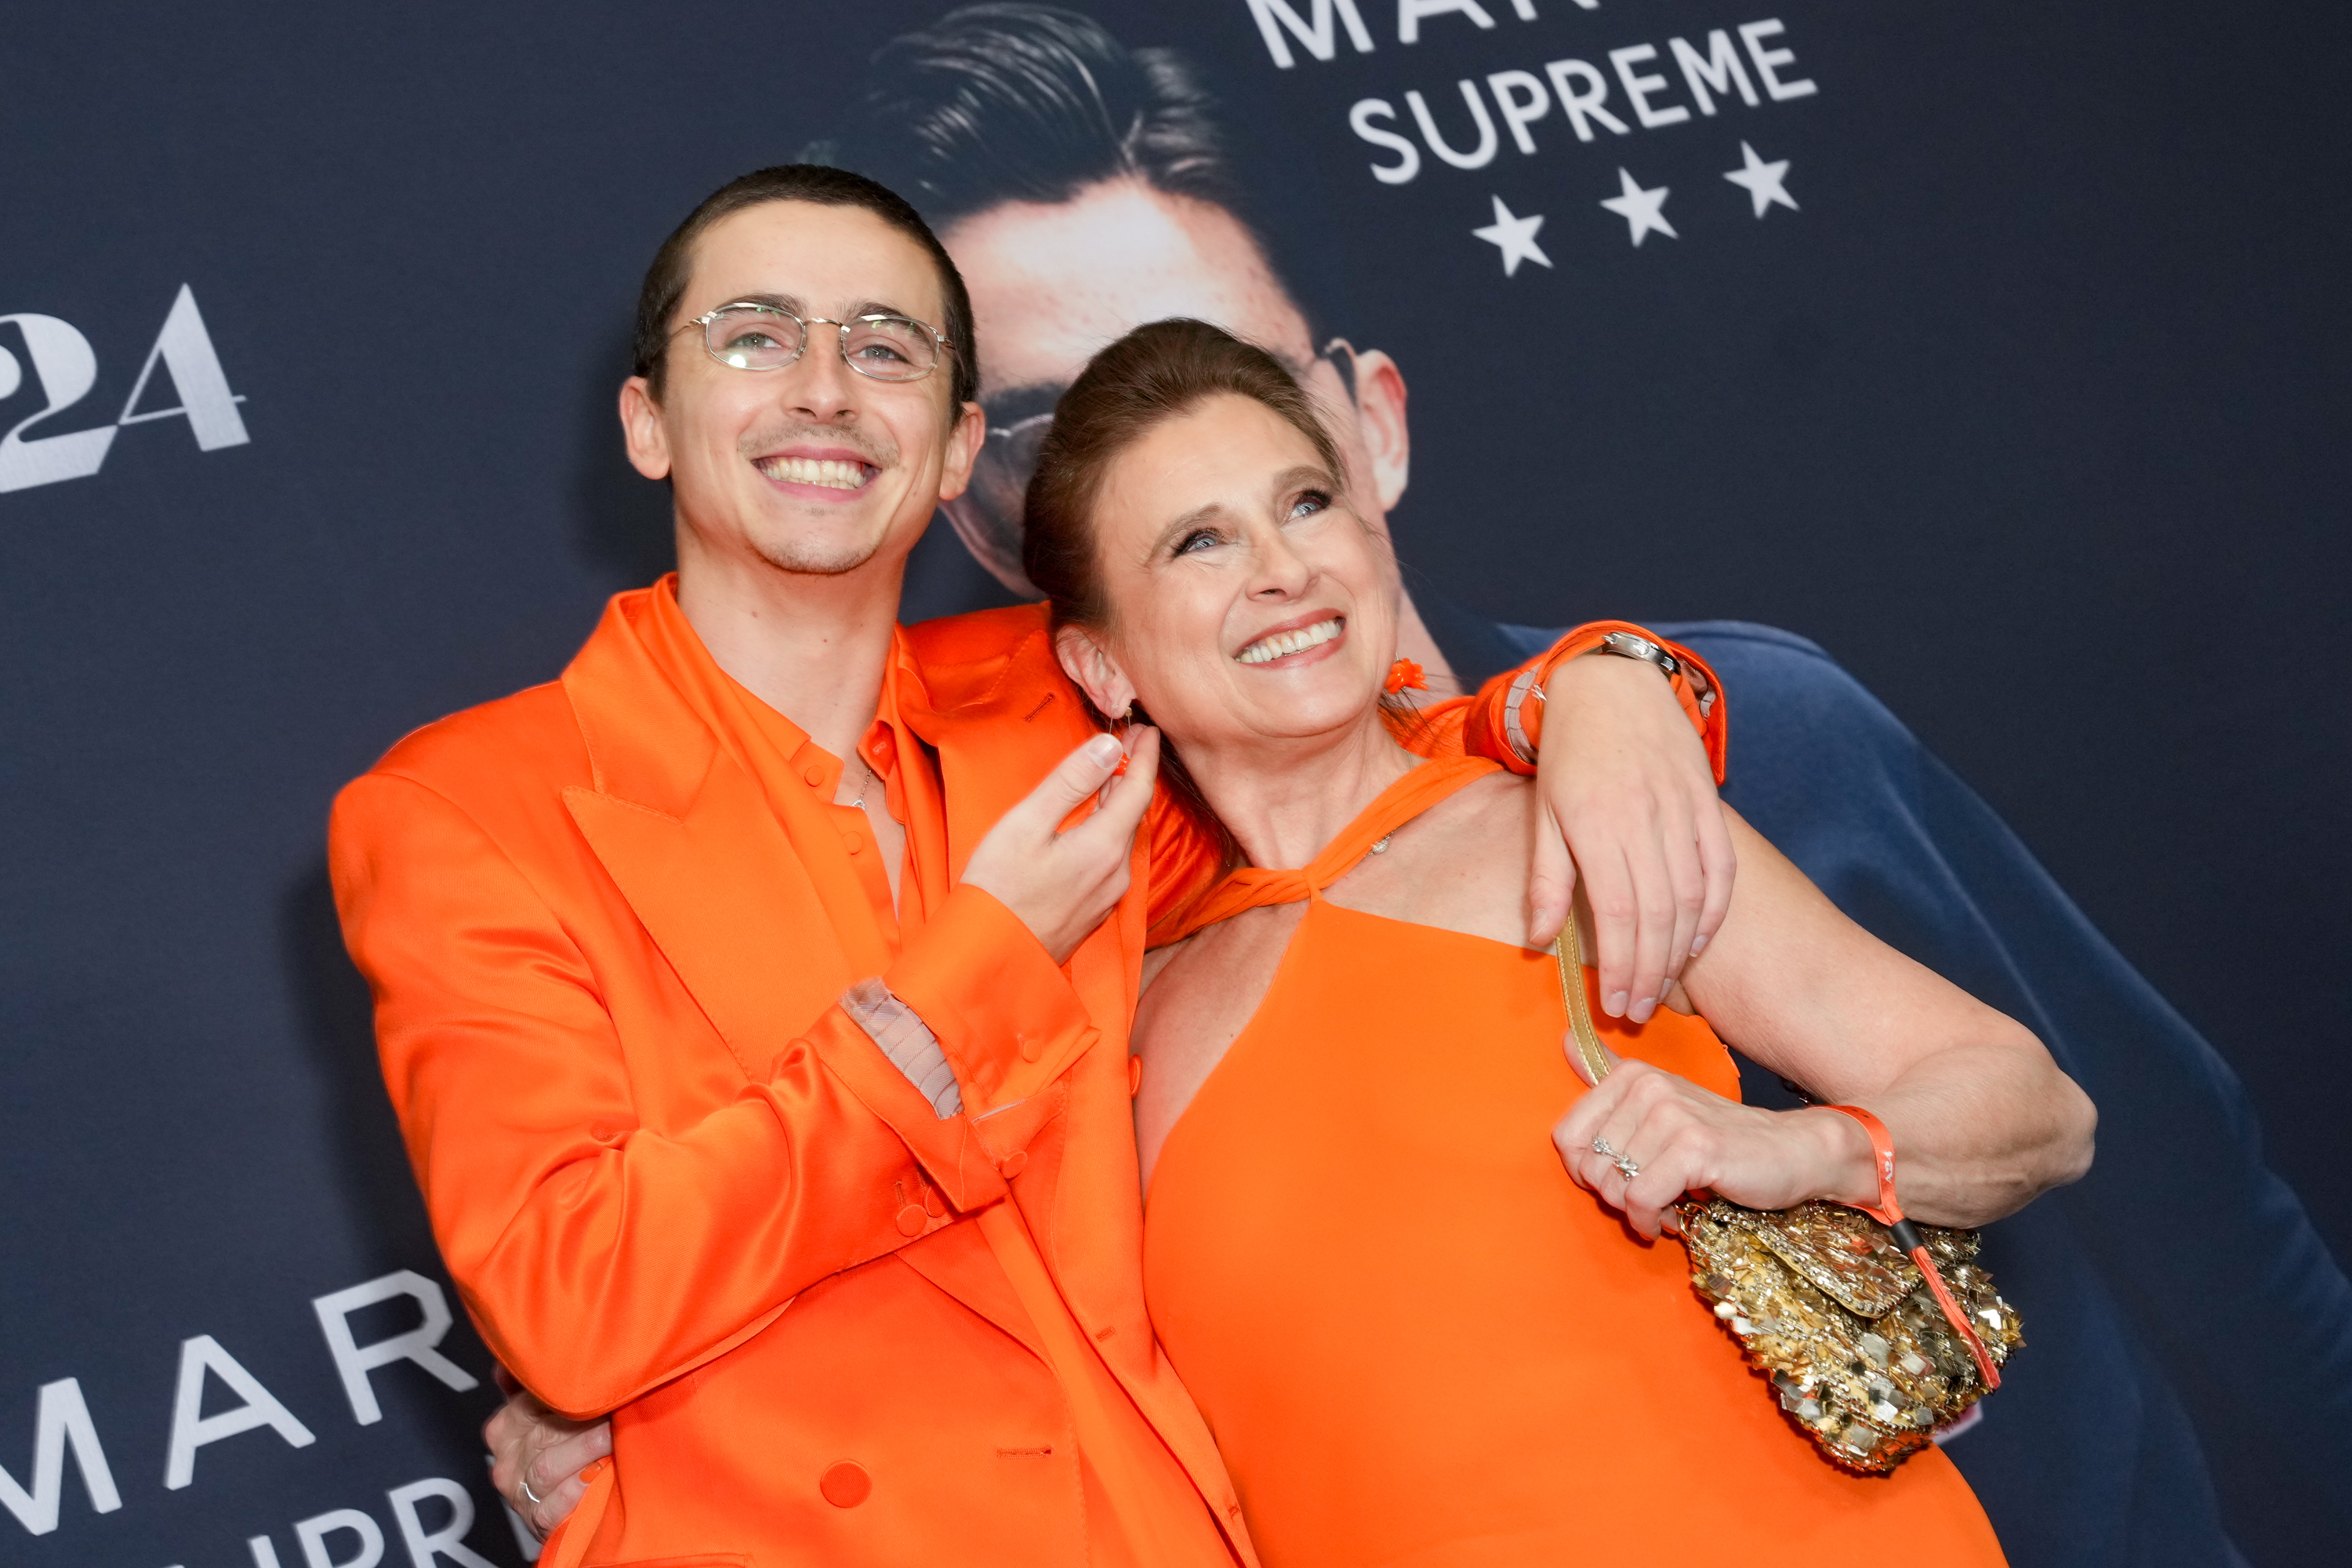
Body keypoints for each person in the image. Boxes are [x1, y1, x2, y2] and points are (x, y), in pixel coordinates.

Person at [787, 9, 2352, 1562]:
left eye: (1235, 383)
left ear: (1370, 421)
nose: (1177, 449)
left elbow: (2184, 1184)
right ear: (999, 530)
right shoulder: (1094, 954)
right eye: (1073, 430)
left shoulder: (1767, 732)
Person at [332, 162, 1738, 1565]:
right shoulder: (471, 809)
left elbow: (1368, 742)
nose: (823, 387)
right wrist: (967, 980)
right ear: (648, 421)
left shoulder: (1068, 701)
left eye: (883, 348)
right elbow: (578, 1305)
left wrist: (1605, 680)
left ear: (950, 453)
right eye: (755, 338)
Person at [1043, 318, 2095, 1564]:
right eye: (1199, 541)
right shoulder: (1124, 1010)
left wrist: (1791, 1145)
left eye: (1307, 502)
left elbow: (2038, 1111)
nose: (1281, 568)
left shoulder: (1582, 825)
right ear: (1100, 663)